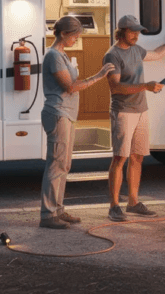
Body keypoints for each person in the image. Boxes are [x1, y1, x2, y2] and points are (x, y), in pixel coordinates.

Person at [103, 15, 165, 222]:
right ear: (121, 31)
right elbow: (115, 87)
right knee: (119, 158)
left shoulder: (136, 50)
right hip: (123, 111)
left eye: (138, 32)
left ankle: (132, 203)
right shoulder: (112, 55)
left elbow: (158, 54)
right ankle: (114, 206)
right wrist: (146, 86)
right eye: (132, 31)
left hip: (142, 110)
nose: (136, 35)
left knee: (138, 157)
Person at [39, 16, 115, 229]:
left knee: (64, 164)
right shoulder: (54, 56)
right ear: (63, 34)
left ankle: (58, 210)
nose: (76, 39)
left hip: (66, 114)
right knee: (56, 164)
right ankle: (48, 215)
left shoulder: (61, 54)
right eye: (75, 36)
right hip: (58, 113)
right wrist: (98, 76)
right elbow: (70, 87)